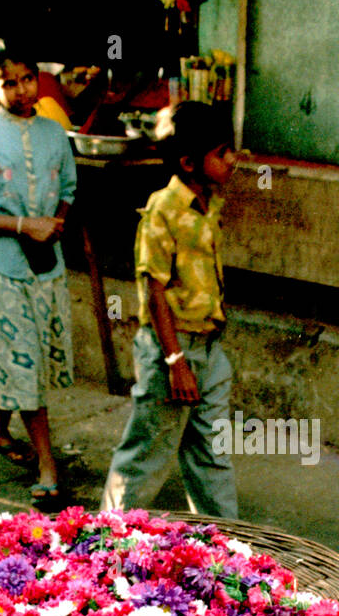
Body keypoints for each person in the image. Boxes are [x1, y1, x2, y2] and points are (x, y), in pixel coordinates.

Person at [0, 38, 77, 506]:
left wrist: (56, 221)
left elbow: (68, 183)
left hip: (45, 266)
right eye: (9, 82)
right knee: (22, 357)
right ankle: (47, 465)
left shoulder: (54, 134)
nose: (22, 91)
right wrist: (25, 225)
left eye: (28, 80)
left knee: (25, 354)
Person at [101, 101, 239, 517]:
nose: (233, 159)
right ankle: (106, 542)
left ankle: (224, 551)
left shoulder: (208, 204)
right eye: (222, 153)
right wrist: (175, 361)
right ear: (189, 162)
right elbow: (153, 289)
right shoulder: (162, 210)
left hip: (209, 350)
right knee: (147, 455)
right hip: (171, 351)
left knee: (212, 457)